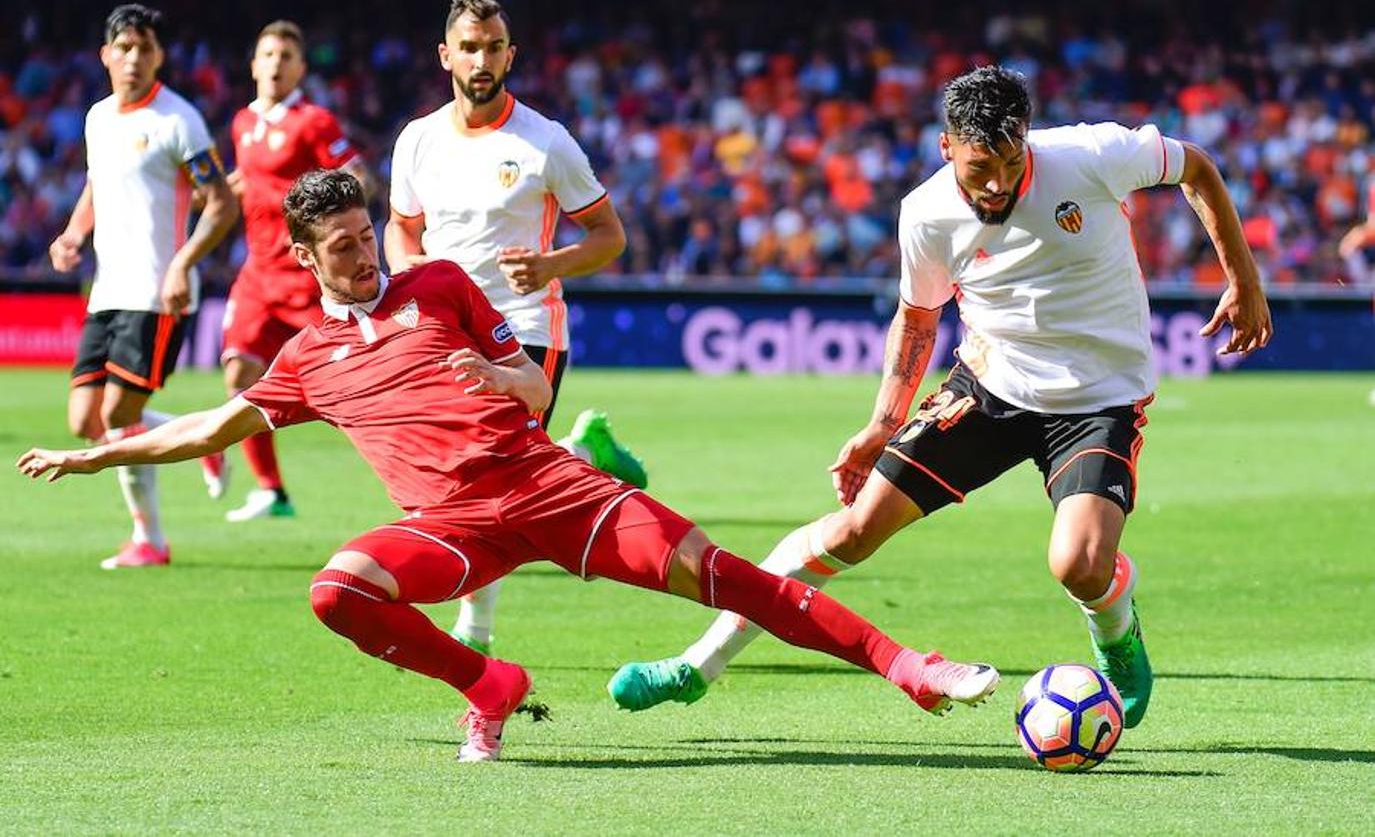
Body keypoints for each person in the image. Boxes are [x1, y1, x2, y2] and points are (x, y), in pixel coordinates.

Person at [18, 169, 1000, 763]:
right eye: (343, 250)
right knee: (336, 592)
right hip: (450, 528)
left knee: (727, 580)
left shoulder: (439, 284)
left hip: (552, 489)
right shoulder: (306, 360)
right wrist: (92, 451)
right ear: (306, 259)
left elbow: (532, 394)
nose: (365, 259)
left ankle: (907, 667)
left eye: (367, 239)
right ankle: (487, 684)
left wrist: (491, 364)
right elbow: (202, 430)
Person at [608, 66, 1273, 728]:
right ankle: (699, 665)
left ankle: (1117, 638)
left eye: (1010, 162)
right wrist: (880, 424)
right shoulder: (925, 213)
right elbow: (918, 319)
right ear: (945, 147)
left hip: (1097, 402)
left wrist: (1241, 278)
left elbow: (1198, 169)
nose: (996, 183)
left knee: (1076, 565)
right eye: (979, 166)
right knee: (854, 529)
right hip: (987, 389)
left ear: (1027, 140)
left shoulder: (1092, 155)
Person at [384, 0, 647, 654]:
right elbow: (400, 227)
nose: (481, 59)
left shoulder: (546, 142)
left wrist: (551, 262)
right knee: (466, 478)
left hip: (524, 326)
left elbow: (608, 236)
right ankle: (588, 456)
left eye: (493, 46)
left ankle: (473, 632)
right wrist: (406, 269)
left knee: (485, 481)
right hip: (444, 333)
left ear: (510, 55)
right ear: (446, 55)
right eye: (469, 47)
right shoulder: (417, 139)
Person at [48, 3, 238, 569]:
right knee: (85, 421)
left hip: (158, 293)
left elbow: (223, 204)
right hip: (107, 291)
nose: (134, 58)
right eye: (124, 48)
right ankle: (208, 436)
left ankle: (149, 540)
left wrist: (183, 263)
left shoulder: (178, 121)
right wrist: (72, 233)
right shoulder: (98, 119)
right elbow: (95, 186)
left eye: (145, 48)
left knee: (116, 419)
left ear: (159, 56)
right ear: (106, 55)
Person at [222, 19, 373, 522]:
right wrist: (218, 193)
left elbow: (356, 176)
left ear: (300, 69)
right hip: (256, 273)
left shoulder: (314, 122)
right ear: (254, 65)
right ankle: (270, 489)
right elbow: (249, 178)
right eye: (268, 55)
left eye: (286, 56)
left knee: (358, 388)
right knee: (238, 371)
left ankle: (429, 471)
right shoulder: (243, 123)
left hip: (305, 276)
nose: (276, 64)